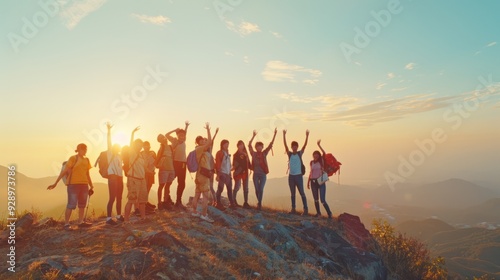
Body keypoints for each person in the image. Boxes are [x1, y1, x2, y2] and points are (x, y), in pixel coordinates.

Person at [47, 143, 94, 230]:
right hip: (73, 185)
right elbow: (64, 172)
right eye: (83, 149)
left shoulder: (87, 160)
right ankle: (66, 224)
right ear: (78, 149)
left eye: (85, 149)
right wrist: (55, 183)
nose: (84, 150)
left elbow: (87, 174)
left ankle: (80, 222)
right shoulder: (73, 158)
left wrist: (91, 185)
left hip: (84, 185)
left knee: (82, 205)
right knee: (71, 205)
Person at [190, 122, 215, 223]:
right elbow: (210, 142)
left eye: (203, 140)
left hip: (199, 175)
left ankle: (194, 211)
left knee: (197, 194)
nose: (204, 142)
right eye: (201, 141)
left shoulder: (199, 150)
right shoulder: (200, 149)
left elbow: (210, 143)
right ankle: (204, 215)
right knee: (205, 196)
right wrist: (208, 130)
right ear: (198, 142)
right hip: (203, 176)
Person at [248, 128, 277, 211]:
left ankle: (259, 203)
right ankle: (259, 202)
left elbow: (270, 145)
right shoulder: (253, 154)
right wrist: (253, 136)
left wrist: (274, 134)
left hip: (263, 174)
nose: (259, 148)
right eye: (258, 147)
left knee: (261, 188)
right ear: (256, 147)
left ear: (262, 147)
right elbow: (249, 145)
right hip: (255, 174)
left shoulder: (264, 153)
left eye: (260, 146)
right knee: (257, 189)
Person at [123, 127, 148, 223]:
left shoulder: (141, 155)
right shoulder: (132, 153)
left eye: (141, 145)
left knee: (142, 201)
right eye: (138, 145)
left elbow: (143, 168)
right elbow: (131, 144)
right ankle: (126, 220)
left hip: (142, 179)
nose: (140, 146)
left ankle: (143, 218)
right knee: (131, 200)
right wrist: (132, 133)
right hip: (133, 179)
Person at [283, 129, 310, 215]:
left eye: (295, 146)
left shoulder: (299, 153)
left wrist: (307, 136)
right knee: (292, 193)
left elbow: (305, 146)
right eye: (293, 146)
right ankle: (293, 209)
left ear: (297, 147)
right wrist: (284, 135)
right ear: (291, 147)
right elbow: (285, 145)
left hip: (298, 176)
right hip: (291, 176)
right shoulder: (290, 154)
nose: (294, 147)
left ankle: (305, 209)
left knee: (302, 192)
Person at [166, 121, 190, 211]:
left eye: (183, 135)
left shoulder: (183, 140)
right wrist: (174, 130)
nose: (182, 136)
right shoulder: (174, 140)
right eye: (180, 135)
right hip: (175, 163)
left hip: (183, 164)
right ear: (177, 135)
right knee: (169, 182)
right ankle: (167, 198)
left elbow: (185, 133)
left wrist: (186, 126)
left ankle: (178, 201)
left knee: (182, 183)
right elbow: (166, 134)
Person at [104, 123, 124, 226]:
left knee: (119, 197)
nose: (118, 149)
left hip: (120, 178)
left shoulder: (119, 157)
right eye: (117, 147)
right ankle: (108, 218)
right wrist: (109, 131)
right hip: (112, 177)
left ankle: (119, 215)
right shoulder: (110, 154)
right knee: (112, 197)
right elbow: (109, 142)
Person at [307, 140, 333, 219]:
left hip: (321, 181)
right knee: (315, 199)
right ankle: (318, 213)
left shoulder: (321, 161)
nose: (316, 156)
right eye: (314, 155)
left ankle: (329, 213)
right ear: (313, 155)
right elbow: (310, 172)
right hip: (313, 181)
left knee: (322, 200)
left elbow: (324, 153)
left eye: (317, 155)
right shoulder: (311, 162)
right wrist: (308, 182)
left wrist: (319, 145)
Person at [155, 134, 176, 211]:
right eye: (161, 138)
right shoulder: (162, 148)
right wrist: (157, 166)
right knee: (161, 186)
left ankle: (166, 202)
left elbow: (172, 158)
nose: (163, 138)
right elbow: (157, 159)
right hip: (164, 170)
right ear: (159, 141)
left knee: (168, 186)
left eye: (163, 137)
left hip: (171, 169)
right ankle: (159, 203)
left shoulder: (170, 147)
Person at [215, 139, 235, 210]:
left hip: (228, 174)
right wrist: (218, 174)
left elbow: (228, 164)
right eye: (225, 144)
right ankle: (218, 203)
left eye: (227, 144)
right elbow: (217, 164)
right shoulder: (219, 153)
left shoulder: (227, 153)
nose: (227, 145)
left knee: (229, 189)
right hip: (222, 173)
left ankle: (231, 203)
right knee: (220, 188)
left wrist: (230, 172)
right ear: (222, 145)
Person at [232, 140, 251, 209]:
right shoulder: (235, 155)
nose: (241, 146)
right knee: (237, 187)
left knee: (246, 188)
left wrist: (251, 168)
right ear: (237, 146)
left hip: (245, 172)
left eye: (242, 144)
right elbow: (234, 164)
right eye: (240, 145)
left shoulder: (246, 154)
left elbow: (248, 163)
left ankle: (245, 202)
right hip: (238, 173)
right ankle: (233, 201)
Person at [141, 141, 157, 213]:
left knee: (149, 186)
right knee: (145, 188)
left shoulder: (152, 153)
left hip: (151, 173)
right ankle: (144, 205)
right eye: (145, 146)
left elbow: (155, 162)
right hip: (144, 173)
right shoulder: (141, 154)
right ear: (143, 147)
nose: (147, 147)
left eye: (148, 146)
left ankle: (146, 202)